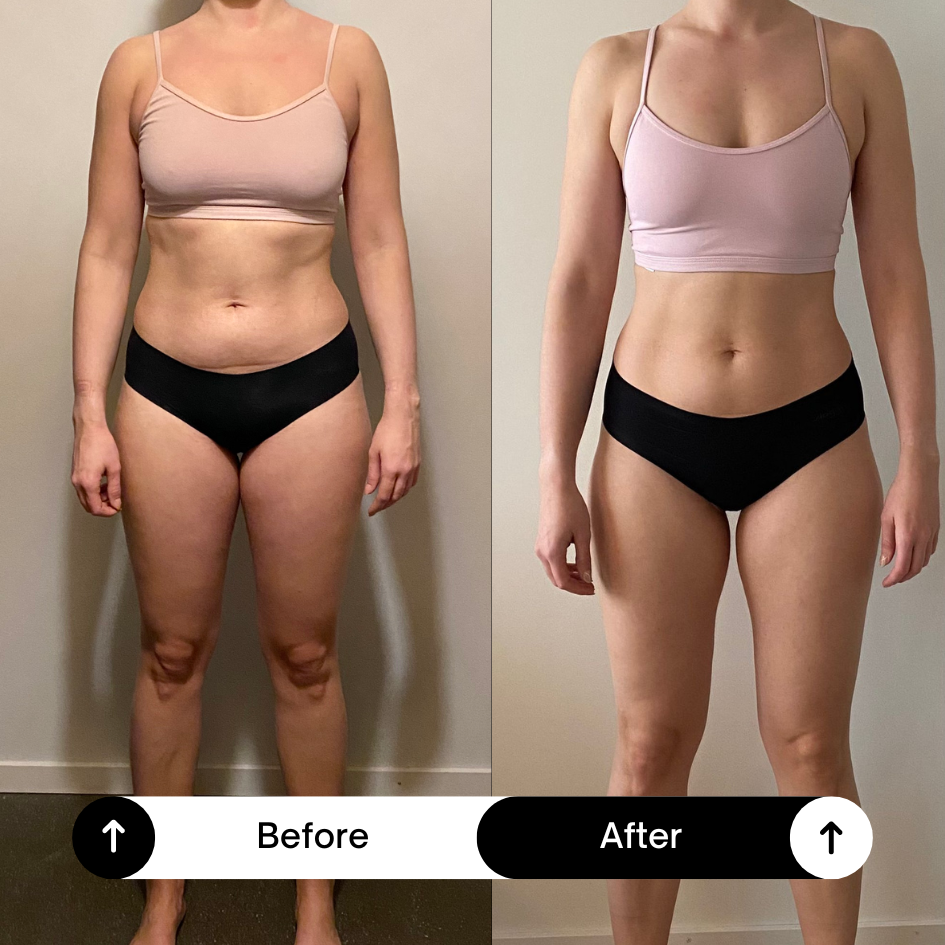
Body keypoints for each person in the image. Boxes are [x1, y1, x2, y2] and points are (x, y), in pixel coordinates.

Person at [535, 1, 938, 942]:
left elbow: (895, 267)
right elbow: (579, 278)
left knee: (808, 747)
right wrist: (554, 466)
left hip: (814, 438)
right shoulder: (614, 68)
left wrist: (919, 449)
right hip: (647, 441)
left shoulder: (854, 60)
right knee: (648, 746)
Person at [71, 2, 420, 942]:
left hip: (311, 387)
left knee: (306, 658)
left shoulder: (350, 57)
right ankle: (164, 892)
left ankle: (315, 902)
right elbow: (107, 243)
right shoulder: (137, 65)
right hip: (163, 391)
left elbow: (379, 237)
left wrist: (404, 402)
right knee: (170, 652)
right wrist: (86, 411)